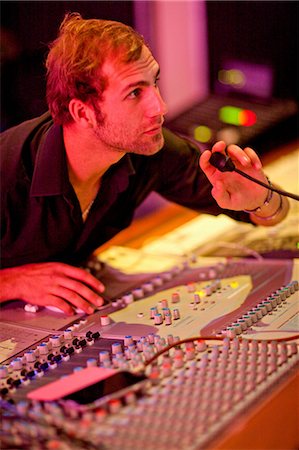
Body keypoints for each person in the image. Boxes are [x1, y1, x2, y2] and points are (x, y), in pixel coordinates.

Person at [0, 13, 289, 315]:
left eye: (155, 83)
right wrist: (13, 282)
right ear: (83, 112)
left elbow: (268, 214)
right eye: (135, 92)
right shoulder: (8, 172)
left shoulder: (148, 149)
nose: (160, 108)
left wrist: (262, 199)